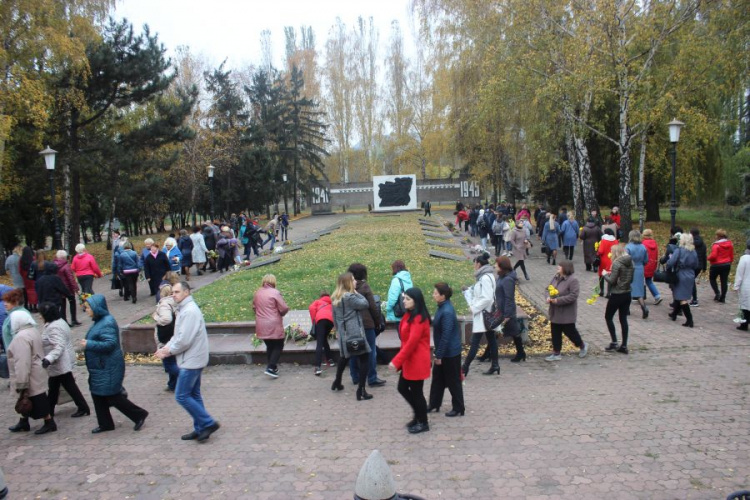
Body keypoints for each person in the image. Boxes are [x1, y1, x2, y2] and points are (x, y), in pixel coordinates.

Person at [155, 282, 220, 442]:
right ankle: (200, 428)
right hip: (192, 358)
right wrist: (165, 348)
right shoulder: (184, 309)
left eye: (177, 292)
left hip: (192, 360)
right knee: (194, 394)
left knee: (182, 396)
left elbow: (184, 340)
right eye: (172, 292)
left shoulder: (189, 311)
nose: (173, 295)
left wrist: (168, 351)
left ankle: (208, 423)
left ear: (186, 292)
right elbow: (177, 336)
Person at [80, 295, 148, 433]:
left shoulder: (107, 322)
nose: (85, 310)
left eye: (87, 307)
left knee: (112, 395)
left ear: (95, 308)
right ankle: (105, 424)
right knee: (97, 394)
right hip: (101, 366)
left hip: (108, 366)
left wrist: (89, 344)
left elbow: (110, 344)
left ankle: (138, 414)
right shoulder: (100, 321)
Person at [6, 300, 56, 435]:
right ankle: (23, 421)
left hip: (30, 373)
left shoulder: (21, 337)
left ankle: (48, 422)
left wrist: (21, 381)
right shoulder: (32, 330)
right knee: (30, 397)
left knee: (33, 398)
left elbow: (22, 361)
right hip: (37, 370)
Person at [389, 287, 432, 434]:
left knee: (416, 392)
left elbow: (412, 343)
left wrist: (396, 361)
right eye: (404, 298)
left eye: (408, 299)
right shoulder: (409, 315)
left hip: (417, 361)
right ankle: (418, 415)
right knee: (402, 388)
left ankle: (423, 422)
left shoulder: (419, 318)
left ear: (416, 301)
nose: (404, 301)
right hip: (409, 360)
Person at [39, 302, 90, 419]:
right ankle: (49, 410)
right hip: (61, 361)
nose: (40, 316)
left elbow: (59, 346)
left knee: (65, 385)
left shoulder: (53, 327)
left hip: (59, 362)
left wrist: (48, 359)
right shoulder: (59, 322)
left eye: (41, 314)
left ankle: (82, 407)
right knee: (55, 387)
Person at [330, 272, 373, 401]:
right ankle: (361, 390)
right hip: (355, 333)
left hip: (344, 334)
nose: (355, 282)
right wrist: (355, 292)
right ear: (348, 283)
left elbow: (334, 317)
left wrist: (338, 331)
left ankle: (337, 382)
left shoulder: (335, 298)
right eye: (353, 280)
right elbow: (365, 304)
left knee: (345, 356)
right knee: (364, 358)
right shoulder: (350, 297)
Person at [427, 282, 464, 417]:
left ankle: (459, 407)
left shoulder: (446, 311)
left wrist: (439, 355)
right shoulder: (442, 307)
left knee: (453, 380)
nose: (433, 295)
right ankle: (434, 404)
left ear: (443, 296)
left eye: (435, 293)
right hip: (445, 351)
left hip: (450, 353)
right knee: (437, 379)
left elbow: (446, 334)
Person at [347, 263, 385, 387]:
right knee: (371, 351)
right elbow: (373, 307)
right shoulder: (364, 286)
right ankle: (372, 378)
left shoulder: (346, 287)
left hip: (352, 324)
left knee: (354, 350)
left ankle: (355, 376)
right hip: (367, 323)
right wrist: (378, 321)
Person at [461, 253, 497, 376]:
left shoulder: (485, 278)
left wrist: (474, 308)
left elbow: (487, 297)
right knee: (491, 340)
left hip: (483, 314)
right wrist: (469, 290)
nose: (474, 266)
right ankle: (495, 365)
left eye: (474, 264)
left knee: (475, 341)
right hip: (487, 314)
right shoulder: (487, 276)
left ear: (479, 264)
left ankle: (465, 367)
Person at [545, 261, 588, 361]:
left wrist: (558, 300)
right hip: (555, 310)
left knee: (570, 331)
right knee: (555, 331)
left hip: (566, 312)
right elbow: (547, 289)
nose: (558, 267)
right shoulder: (556, 277)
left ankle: (582, 345)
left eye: (560, 266)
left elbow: (573, 296)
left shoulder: (573, 280)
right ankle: (556, 353)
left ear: (566, 268)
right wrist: (548, 297)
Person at [253, 274, 290, 378]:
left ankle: (272, 368)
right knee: (279, 345)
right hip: (273, 322)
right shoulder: (275, 292)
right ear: (273, 281)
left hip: (261, 323)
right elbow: (283, 308)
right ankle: (270, 367)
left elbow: (254, 307)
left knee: (269, 345)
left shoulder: (257, 293)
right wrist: (281, 314)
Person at [602, 244, 634, 353]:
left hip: (617, 294)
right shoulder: (630, 262)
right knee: (623, 319)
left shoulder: (616, 263)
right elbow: (631, 279)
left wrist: (605, 274)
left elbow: (612, 281)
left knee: (608, 317)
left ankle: (614, 341)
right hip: (627, 293)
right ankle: (624, 345)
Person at [667, 233, 700, 328]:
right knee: (680, 294)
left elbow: (671, 262)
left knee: (682, 298)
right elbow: (696, 264)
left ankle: (689, 319)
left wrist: (669, 265)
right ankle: (674, 314)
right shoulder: (693, 251)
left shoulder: (679, 251)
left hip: (681, 273)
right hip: (690, 274)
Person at [152, 283, 179, 391]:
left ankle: (186, 377)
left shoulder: (164, 304)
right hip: (174, 333)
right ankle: (172, 384)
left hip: (166, 336)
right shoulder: (175, 302)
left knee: (168, 363)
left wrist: (156, 317)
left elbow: (166, 319)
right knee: (172, 360)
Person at [309, 291, 335, 376]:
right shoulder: (332, 303)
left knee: (319, 343)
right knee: (324, 339)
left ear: (321, 296)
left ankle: (317, 367)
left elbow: (311, 308)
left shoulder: (318, 301)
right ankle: (330, 360)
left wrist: (314, 320)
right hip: (330, 322)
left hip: (321, 320)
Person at [625, 230, 650, 319]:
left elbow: (626, 259)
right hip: (640, 269)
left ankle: (626, 309)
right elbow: (646, 260)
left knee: (627, 289)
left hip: (630, 269)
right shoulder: (643, 247)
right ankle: (644, 307)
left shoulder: (628, 247)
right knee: (639, 291)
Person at [54, 250, 81, 326]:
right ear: (64, 257)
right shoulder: (66, 266)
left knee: (62, 304)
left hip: (59, 288)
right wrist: (76, 288)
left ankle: (64, 320)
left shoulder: (54, 265)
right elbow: (70, 278)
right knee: (72, 302)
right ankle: (73, 319)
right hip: (68, 288)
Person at [707, 229, 734, 303]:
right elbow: (731, 255)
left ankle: (717, 293)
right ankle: (723, 297)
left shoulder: (716, 245)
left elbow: (713, 256)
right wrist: (730, 261)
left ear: (719, 236)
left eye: (716, 235)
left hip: (716, 265)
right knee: (724, 281)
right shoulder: (730, 244)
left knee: (712, 279)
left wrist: (708, 258)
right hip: (726, 264)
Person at [642, 229, 663, 305]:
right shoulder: (654, 243)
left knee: (640, 280)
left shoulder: (643, 244)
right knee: (649, 281)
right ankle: (657, 295)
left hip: (644, 264)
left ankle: (640, 296)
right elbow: (656, 254)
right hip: (652, 264)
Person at [733, 239, 750, 330]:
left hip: (746, 286)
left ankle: (744, 324)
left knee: (744, 305)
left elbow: (740, 273)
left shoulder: (744, 258)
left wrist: (736, 285)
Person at [597, 228, 619, 297]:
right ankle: (609, 292)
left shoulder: (603, 241)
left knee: (601, 275)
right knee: (610, 275)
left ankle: (602, 291)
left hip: (603, 260)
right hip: (612, 260)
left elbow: (601, 251)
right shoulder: (615, 241)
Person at [689, 228, 707, 307]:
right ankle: (693, 298)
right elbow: (704, 256)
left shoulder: (691, 243)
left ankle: (695, 299)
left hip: (693, 264)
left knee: (691, 281)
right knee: (691, 280)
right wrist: (704, 267)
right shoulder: (703, 244)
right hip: (700, 265)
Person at [19, 246, 38, 311]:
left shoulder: (21, 259)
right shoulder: (33, 259)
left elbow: (20, 270)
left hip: (25, 278)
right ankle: (34, 306)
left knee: (27, 291)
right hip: (33, 277)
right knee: (34, 291)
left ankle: (27, 305)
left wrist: (24, 275)